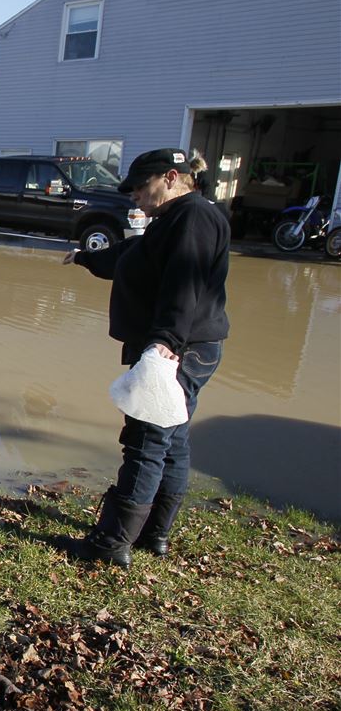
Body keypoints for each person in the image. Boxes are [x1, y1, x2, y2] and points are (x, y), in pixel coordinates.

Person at [61, 148, 230, 568]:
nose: (134, 195)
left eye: (140, 186)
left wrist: (164, 342)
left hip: (176, 350)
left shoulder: (193, 218)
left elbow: (184, 283)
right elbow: (127, 257)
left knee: (146, 443)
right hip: (178, 346)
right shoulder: (169, 222)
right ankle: (153, 536)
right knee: (171, 442)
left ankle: (111, 543)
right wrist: (84, 258)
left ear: (171, 177)